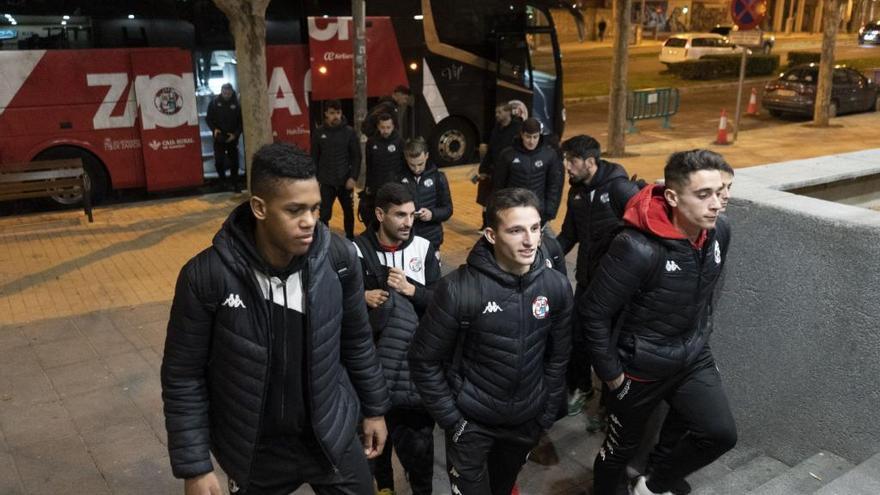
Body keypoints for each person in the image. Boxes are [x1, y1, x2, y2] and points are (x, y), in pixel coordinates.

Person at [161, 143, 390, 495]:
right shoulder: (207, 276)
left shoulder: (339, 260)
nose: (310, 221)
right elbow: (183, 375)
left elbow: (357, 341)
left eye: (314, 208)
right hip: (256, 451)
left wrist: (374, 409)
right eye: (295, 210)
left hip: (331, 435)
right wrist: (195, 467)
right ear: (259, 208)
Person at [582, 149, 737, 495]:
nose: (716, 204)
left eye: (719, 192)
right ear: (672, 197)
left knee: (719, 433)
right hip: (639, 368)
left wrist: (701, 339)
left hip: (692, 357)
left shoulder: (719, 231)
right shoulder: (636, 247)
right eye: (703, 194)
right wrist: (611, 374)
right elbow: (593, 312)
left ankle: (652, 485)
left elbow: (706, 294)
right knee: (618, 451)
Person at [409, 188, 573, 495]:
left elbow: (558, 356)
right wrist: (453, 421)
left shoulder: (556, 286)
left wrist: (545, 414)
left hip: (525, 424)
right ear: (491, 235)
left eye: (535, 228)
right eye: (516, 230)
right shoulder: (458, 289)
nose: (530, 241)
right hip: (472, 426)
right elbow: (423, 360)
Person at [354, 183, 441, 495]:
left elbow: (441, 303)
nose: (408, 222)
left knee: (419, 449)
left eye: (411, 215)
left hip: (413, 372)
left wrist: (410, 290)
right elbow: (334, 301)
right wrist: (361, 297)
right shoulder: (354, 251)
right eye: (400, 215)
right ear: (380, 215)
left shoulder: (424, 249)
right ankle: (385, 487)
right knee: (376, 441)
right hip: (373, 368)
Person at [556, 135, 642, 423]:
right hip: (587, 281)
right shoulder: (577, 192)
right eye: (566, 159)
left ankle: (608, 406)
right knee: (576, 337)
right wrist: (543, 257)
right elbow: (568, 235)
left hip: (616, 287)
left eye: (572, 160)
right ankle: (581, 388)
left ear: (590, 162)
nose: (567, 165)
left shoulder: (619, 188)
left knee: (609, 346)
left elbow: (643, 233)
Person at [493, 118, 564, 226]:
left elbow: (554, 185)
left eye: (535, 137)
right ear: (522, 135)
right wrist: (500, 208)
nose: (531, 141)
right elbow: (499, 184)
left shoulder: (549, 155)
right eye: (528, 137)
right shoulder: (507, 155)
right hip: (513, 210)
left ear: (540, 135)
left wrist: (550, 211)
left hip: (538, 211)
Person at [312, 99, 361, 239]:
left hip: (345, 181)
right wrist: (314, 179)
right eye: (332, 113)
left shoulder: (349, 132)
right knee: (324, 214)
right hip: (326, 181)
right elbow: (314, 157)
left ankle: (350, 239)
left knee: (349, 212)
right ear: (326, 114)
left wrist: (353, 177)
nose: (336, 116)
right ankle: (324, 241)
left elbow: (356, 156)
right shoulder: (319, 133)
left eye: (338, 113)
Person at [398, 137, 452, 249]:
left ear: (427, 156)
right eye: (412, 165)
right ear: (406, 157)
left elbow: (448, 209)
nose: (416, 169)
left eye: (420, 164)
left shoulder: (438, 177)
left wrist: (432, 214)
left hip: (431, 239)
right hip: (406, 239)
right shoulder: (397, 178)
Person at [476, 103, 523, 231]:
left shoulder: (516, 129)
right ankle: (487, 223)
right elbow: (491, 150)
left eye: (500, 112)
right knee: (487, 198)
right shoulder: (496, 128)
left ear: (508, 112)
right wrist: (483, 169)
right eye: (496, 112)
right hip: (494, 170)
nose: (497, 115)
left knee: (505, 199)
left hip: (509, 171)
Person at [360, 114, 405, 228]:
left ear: (393, 126)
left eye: (388, 127)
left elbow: (404, 164)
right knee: (377, 215)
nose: (385, 130)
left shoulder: (399, 141)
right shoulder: (371, 142)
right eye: (382, 127)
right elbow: (369, 166)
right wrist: (368, 186)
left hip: (394, 188)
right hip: (377, 187)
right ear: (378, 127)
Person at [205, 83, 243, 191]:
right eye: (224, 92)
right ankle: (222, 181)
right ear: (221, 92)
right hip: (219, 137)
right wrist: (214, 130)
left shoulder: (237, 104)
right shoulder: (214, 103)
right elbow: (208, 119)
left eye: (228, 93)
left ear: (231, 92)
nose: (226, 95)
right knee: (219, 161)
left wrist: (235, 134)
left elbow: (241, 122)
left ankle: (235, 183)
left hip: (232, 137)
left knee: (234, 162)